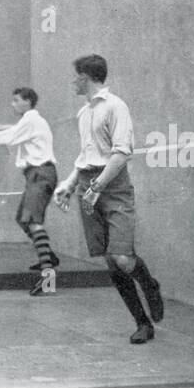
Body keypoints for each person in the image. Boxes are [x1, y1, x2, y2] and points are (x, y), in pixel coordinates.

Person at [53, 54, 165, 344]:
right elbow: (85, 157)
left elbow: (121, 153)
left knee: (123, 257)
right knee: (111, 262)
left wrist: (98, 187)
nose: (73, 81)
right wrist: (68, 184)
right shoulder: (83, 113)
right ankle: (143, 323)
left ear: (86, 77)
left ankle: (149, 284)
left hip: (113, 186)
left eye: (75, 76)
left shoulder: (116, 106)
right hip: (89, 185)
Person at [0, 87, 59, 296]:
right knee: (23, 219)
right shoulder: (30, 121)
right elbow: (12, 136)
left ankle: (48, 279)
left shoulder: (32, 120)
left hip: (40, 174)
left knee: (33, 222)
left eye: (16, 100)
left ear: (28, 101)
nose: (12, 104)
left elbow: (10, 137)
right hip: (37, 174)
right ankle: (49, 258)